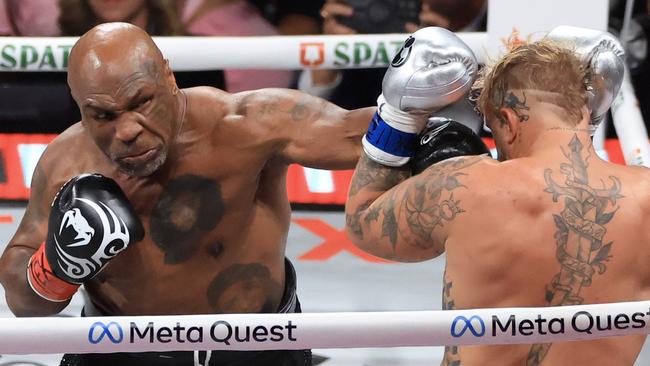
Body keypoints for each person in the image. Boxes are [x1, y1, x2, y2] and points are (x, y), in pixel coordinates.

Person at [0, 21, 373, 366]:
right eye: (103, 116)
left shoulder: (246, 126)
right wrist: (55, 265)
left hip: (261, 354)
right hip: (117, 358)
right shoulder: (68, 164)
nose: (127, 130)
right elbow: (23, 304)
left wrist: (412, 104)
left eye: (140, 102)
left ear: (168, 75)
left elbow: (356, 135)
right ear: (81, 109)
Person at [343, 27, 647, 365]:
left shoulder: (465, 183)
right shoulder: (645, 197)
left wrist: (397, 119)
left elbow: (363, 220)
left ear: (508, 120)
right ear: (587, 111)